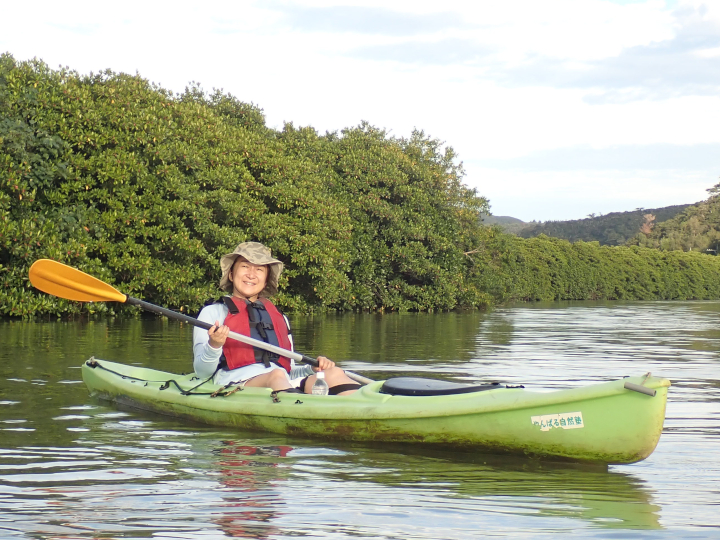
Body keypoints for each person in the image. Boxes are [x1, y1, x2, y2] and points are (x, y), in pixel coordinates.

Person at [193, 241, 361, 395]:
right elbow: (202, 372)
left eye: (259, 269)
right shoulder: (213, 313)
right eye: (245, 266)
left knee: (333, 373)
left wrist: (312, 369)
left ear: (266, 280)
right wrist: (214, 345)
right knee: (275, 375)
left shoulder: (279, 317)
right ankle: (301, 412)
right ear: (231, 274)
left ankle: (366, 409)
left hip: (282, 382)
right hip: (236, 384)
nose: (251, 274)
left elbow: (289, 370)